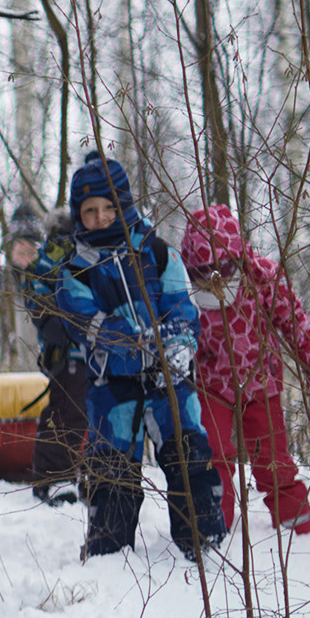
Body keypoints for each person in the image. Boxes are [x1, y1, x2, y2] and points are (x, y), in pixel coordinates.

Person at [40, 154, 224, 560]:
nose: (101, 217)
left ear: (124, 204)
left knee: (187, 449)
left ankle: (202, 539)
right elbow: (86, 323)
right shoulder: (76, 269)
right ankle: (109, 548)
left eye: (109, 207)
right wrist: (138, 340)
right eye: (90, 211)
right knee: (112, 466)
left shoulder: (157, 253)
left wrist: (172, 348)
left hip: (169, 376)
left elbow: (181, 308)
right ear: (77, 215)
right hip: (112, 382)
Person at [179, 203, 310, 535]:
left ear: (234, 260)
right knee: (212, 452)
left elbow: (294, 322)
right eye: (200, 273)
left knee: (272, 460)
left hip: (261, 384)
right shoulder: (184, 294)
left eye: (217, 270)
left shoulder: (261, 278)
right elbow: (177, 336)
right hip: (211, 385)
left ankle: (298, 527)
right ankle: (214, 524)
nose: (210, 280)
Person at [14, 202, 88, 502]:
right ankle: (53, 478)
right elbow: (39, 298)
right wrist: (66, 326)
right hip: (69, 352)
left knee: (80, 415)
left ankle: (71, 475)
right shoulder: (55, 256)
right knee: (67, 414)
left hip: (90, 351)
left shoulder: (88, 251)